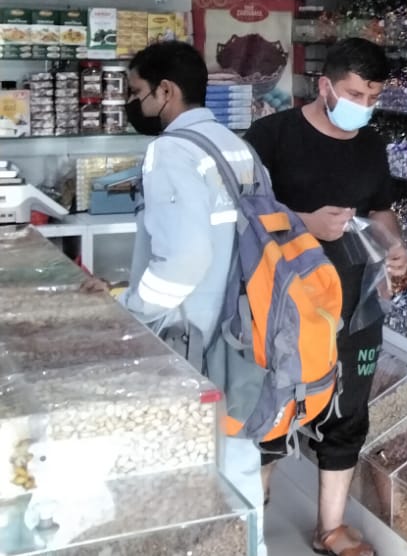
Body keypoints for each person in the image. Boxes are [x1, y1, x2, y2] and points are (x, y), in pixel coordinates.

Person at [87, 40, 267, 551]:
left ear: (165, 91)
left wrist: (131, 310)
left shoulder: (170, 151)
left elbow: (185, 258)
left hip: (191, 336)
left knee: (184, 466)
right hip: (242, 328)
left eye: (136, 92)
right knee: (237, 457)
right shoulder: (236, 145)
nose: (133, 103)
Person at [248, 37, 406, 556]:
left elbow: (380, 210)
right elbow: (242, 214)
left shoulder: (371, 144)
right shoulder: (272, 135)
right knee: (274, 406)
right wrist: (304, 223)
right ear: (324, 86)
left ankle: (331, 528)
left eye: (373, 97)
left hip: (356, 297)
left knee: (349, 408)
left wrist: (394, 244)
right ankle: (251, 523)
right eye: (355, 94)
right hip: (283, 301)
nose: (364, 105)